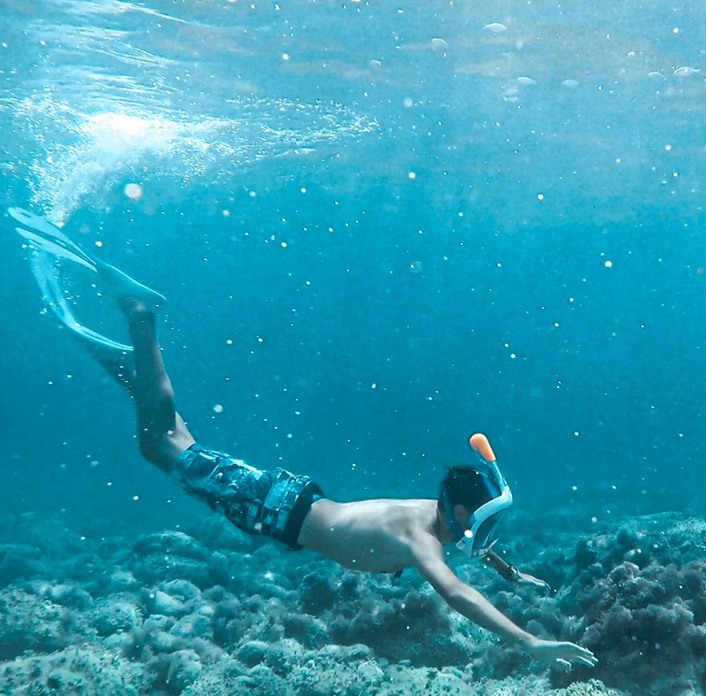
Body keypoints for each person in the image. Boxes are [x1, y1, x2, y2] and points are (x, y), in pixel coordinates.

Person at [8, 206, 597, 669]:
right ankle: (141, 319)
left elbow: (473, 546)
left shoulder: (435, 521)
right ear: (459, 513)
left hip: (287, 504)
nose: (481, 535)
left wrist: (511, 574)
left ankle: (137, 361)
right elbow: (458, 597)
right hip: (278, 508)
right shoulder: (422, 536)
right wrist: (528, 642)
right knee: (163, 446)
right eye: (480, 522)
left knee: (173, 438)